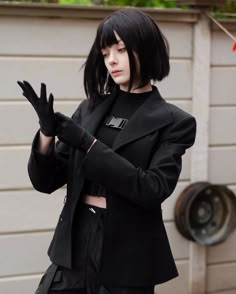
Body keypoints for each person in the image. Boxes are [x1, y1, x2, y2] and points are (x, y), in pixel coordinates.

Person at [17, 8, 196, 294]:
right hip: (72, 247)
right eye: (105, 52)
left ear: (146, 50)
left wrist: (89, 145)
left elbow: (152, 188)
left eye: (121, 49)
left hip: (128, 257)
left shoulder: (175, 122)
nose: (111, 59)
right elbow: (45, 182)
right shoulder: (89, 109)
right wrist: (46, 135)